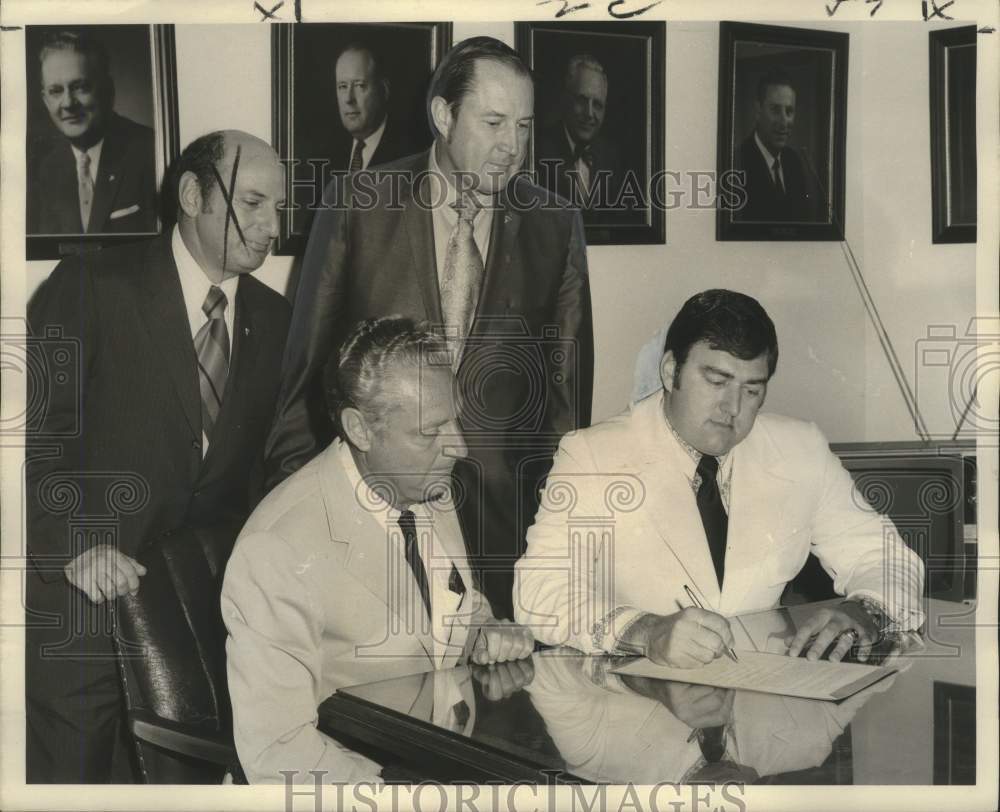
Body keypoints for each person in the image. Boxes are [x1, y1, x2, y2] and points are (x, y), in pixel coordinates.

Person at [265, 36, 594, 620]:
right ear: (443, 114)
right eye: (493, 122)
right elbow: (301, 378)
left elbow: (566, 399)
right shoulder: (357, 204)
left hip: (505, 531)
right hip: (376, 515)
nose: (511, 147)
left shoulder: (555, 222)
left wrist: (558, 534)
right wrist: (310, 517)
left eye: (523, 125)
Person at [25, 129, 290, 782]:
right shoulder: (90, 285)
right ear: (193, 194)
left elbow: (277, 474)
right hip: (81, 630)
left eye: (280, 209)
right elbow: (27, 440)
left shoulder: (278, 321)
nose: (272, 228)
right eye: (253, 202)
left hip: (194, 643)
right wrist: (76, 544)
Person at [515, 289, 925, 667]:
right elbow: (539, 593)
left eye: (752, 391)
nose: (732, 408)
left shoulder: (801, 449)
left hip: (764, 715)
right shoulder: (592, 455)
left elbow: (884, 556)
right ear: (670, 370)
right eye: (716, 382)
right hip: (635, 709)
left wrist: (866, 609)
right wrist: (645, 631)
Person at [222, 317, 535, 784]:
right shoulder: (277, 550)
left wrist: (483, 631)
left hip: (437, 764)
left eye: (456, 420)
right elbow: (276, 751)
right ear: (360, 429)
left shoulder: (428, 486)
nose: (459, 447)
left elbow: (452, 609)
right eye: (430, 433)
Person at [28, 30, 158, 235]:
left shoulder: (150, 151)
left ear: (107, 90)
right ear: (45, 100)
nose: (68, 103)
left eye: (80, 87)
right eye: (56, 91)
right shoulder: (48, 169)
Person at [534, 54, 625, 221]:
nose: (589, 114)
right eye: (581, 101)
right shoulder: (537, 150)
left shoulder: (612, 157)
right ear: (565, 100)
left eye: (597, 105)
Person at [734, 69, 822, 223]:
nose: (783, 122)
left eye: (789, 111)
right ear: (758, 110)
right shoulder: (736, 163)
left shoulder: (795, 161)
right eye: (775, 110)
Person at [331, 42, 416, 172]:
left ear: (384, 90)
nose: (349, 99)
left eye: (360, 86)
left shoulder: (410, 153)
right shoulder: (327, 153)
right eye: (343, 86)